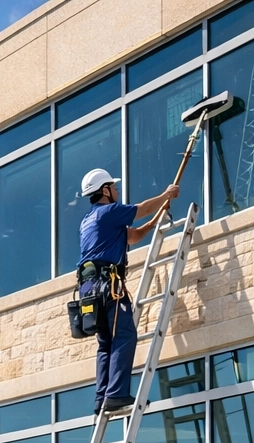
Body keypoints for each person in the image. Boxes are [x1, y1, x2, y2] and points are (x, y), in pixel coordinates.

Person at [77, 169, 180, 413]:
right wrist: (167, 194)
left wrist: (155, 222)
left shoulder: (89, 220)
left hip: (89, 290)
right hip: (108, 286)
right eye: (114, 187)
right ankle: (116, 394)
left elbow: (132, 237)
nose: (117, 191)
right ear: (105, 190)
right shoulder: (109, 211)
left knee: (105, 343)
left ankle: (102, 397)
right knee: (124, 335)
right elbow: (142, 208)